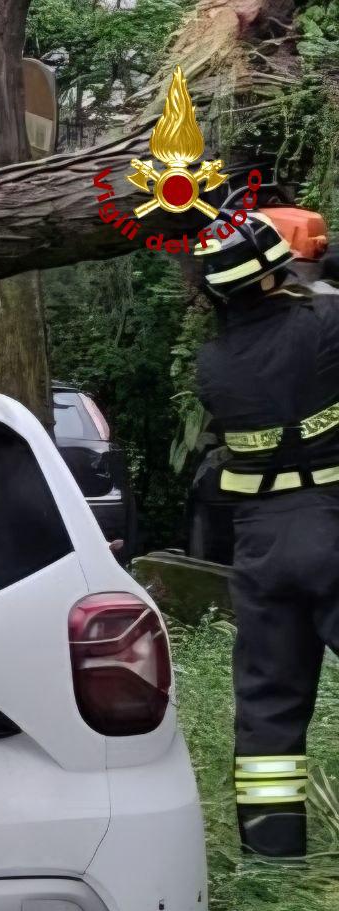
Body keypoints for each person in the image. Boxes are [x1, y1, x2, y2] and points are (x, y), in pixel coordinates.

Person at [193, 206, 339, 859]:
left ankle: (274, 862)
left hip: (263, 549)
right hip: (333, 526)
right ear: (275, 273)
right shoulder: (326, 326)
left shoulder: (214, 365)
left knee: (269, 712)